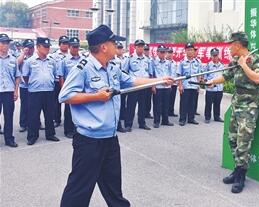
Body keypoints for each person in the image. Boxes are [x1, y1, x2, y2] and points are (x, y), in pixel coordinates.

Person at [59, 24, 173, 207]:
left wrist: (160, 80)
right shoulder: (83, 68)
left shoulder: (112, 67)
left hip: (110, 139)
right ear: (104, 47)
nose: (117, 46)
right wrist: (96, 96)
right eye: (114, 43)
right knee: (78, 191)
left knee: (114, 190)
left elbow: (132, 80)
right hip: (89, 142)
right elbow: (65, 96)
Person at [206, 32, 259, 193]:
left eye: (231, 45)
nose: (229, 48)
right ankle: (237, 169)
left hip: (249, 108)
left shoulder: (256, 59)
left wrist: (244, 65)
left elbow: (258, 79)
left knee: (243, 143)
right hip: (236, 106)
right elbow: (225, 76)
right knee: (232, 139)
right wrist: (211, 82)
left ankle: (241, 177)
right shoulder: (234, 61)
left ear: (238, 45)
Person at [22, 37, 59, 145]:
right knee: (33, 115)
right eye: (45, 47)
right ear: (38, 47)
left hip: (49, 90)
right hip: (35, 91)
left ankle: (50, 134)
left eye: (48, 47)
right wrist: (34, 84)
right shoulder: (30, 61)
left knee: (49, 114)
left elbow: (54, 74)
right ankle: (32, 136)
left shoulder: (51, 61)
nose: (47, 49)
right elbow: (25, 76)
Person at [123, 39, 152, 131]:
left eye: (142, 46)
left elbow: (150, 73)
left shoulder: (147, 60)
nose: (140, 48)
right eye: (138, 46)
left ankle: (142, 123)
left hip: (144, 87)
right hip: (133, 87)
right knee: (131, 106)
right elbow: (124, 72)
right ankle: (128, 125)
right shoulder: (130, 58)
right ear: (135, 47)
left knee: (142, 106)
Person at [58, 37, 82, 138]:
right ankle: (68, 130)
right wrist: (63, 89)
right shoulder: (64, 60)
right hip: (70, 89)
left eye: (77, 47)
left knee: (80, 110)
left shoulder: (83, 60)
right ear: (69, 47)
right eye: (73, 47)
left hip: (80, 89)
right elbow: (61, 76)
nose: (75, 49)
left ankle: (78, 129)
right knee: (68, 111)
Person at [0, 33, 20, 147]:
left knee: (8, 116)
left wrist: (16, 91)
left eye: (7, 43)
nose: (6, 45)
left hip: (8, 91)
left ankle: (9, 139)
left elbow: (17, 76)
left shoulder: (13, 59)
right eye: (3, 43)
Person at [177, 42, 202, 126]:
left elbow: (199, 74)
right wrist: (180, 85)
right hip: (185, 86)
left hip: (194, 86)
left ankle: (191, 118)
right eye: (188, 50)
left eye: (191, 50)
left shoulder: (197, 62)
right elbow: (179, 75)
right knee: (184, 103)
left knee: (192, 103)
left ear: (194, 51)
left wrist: (198, 85)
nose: (190, 51)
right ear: (185, 51)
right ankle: (182, 119)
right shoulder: (182, 62)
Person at [151, 45, 174, 128]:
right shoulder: (153, 62)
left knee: (166, 104)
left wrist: (170, 83)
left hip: (167, 87)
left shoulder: (168, 62)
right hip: (158, 86)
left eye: (164, 52)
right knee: (157, 105)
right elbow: (152, 75)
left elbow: (171, 73)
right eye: (161, 52)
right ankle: (156, 121)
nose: (162, 53)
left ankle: (165, 120)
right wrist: (153, 86)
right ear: (157, 52)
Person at [50, 35, 69, 128]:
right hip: (57, 81)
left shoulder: (71, 54)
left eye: (67, 43)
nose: (65, 45)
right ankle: (56, 119)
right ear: (59, 44)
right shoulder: (54, 55)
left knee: (69, 102)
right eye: (63, 43)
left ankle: (69, 120)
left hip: (69, 82)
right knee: (56, 102)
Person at [17, 39, 35, 133]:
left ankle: (36, 122)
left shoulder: (36, 57)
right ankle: (23, 124)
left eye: (32, 47)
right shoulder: (21, 56)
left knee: (35, 106)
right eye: (29, 47)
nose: (31, 49)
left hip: (35, 86)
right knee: (24, 105)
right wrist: (23, 53)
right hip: (24, 85)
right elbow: (17, 63)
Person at [204, 48, 224, 123]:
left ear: (218, 55)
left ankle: (217, 116)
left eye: (216, 55)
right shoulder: (208, 65)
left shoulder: (222, 65)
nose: (215, 57)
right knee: (208, 104)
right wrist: (207, 84)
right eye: (213, 55)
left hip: (219, 88)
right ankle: (207, 117)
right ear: (211, 56)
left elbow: (224, 76)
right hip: (210, 89)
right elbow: (205, 77)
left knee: (217, 103)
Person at [113, 41, 128, 133]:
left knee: (119, 105)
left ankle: (118, 125)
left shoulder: (121, 60)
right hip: (109, 86)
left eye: (120, 48)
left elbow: (122, 73)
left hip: (118, 85)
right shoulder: (110, 59)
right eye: (117, 48)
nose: (119, 50)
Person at [167, 47, 178, 117]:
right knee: (166, 99)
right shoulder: (165, 62)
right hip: (167, 84)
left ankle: (171, 111)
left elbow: (176, 73)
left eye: (171, 52)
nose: (170, 54)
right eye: (168, 52)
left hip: (174, 83)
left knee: (172, 98)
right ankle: (165, 112)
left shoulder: (175, 63)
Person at [143, 43, 153, 119]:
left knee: (148, 99)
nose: (146, 51)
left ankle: (147, 112)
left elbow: (151, 73)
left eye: (147, 50)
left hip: (148, 82)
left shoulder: (150, 59)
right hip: (139, 83)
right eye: (145, 49)